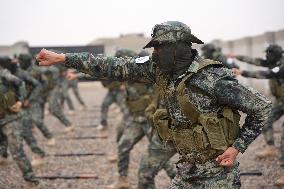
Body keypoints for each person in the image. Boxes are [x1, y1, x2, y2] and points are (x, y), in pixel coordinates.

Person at [37, 21, 271, 189]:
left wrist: (238, 146)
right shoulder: (157, 68)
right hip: (186, 169)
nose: (155, 52)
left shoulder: (214, 77)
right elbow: (114, 66)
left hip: (217, 174)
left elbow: (262, 107)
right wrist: (64, 58)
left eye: (160, 47)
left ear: (178, 47)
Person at [234, 44, 284, 186]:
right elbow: (255, 61)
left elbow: (267, 74)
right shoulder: (272, 63)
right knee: (266, 121)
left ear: (275, 54)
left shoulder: (281, 66)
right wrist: (236, 57)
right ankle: (270, 147)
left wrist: (243, 72)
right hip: (281, 101)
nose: (266, 56)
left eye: (269, 53)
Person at [0, 57, 39, 188]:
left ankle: (32, 180)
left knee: (17, 152)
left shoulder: (4, 73)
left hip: (10, 118)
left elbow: (20, 83)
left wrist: (20, 101)